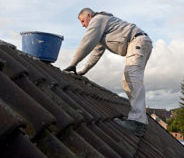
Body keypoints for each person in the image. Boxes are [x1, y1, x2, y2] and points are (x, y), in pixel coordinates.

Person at [64, 8, 153, 137]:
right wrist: (83, 70)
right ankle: (137, 118)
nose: (83, 25)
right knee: (127, 81)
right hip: (140, 43)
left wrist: (72, 64)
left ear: (89, 16)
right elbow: (96, 53)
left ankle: (138, 122)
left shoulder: (97, 20)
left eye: (83, 21)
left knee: (132, 77)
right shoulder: (102, 29)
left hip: (137, 42)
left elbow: (86, 43)